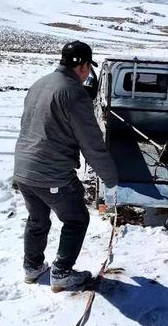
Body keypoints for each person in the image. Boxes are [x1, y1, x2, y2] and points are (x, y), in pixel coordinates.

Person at [13, 40, 119, 292]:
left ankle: (32, 267)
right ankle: (61, 273)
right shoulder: (73, 93)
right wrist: (112, 180)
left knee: (37, 219)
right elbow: (91, 143)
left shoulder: (41, 83)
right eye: (88, 68)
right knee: (77, 218)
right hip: (51, 173)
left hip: (24, 169)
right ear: (83, 66)